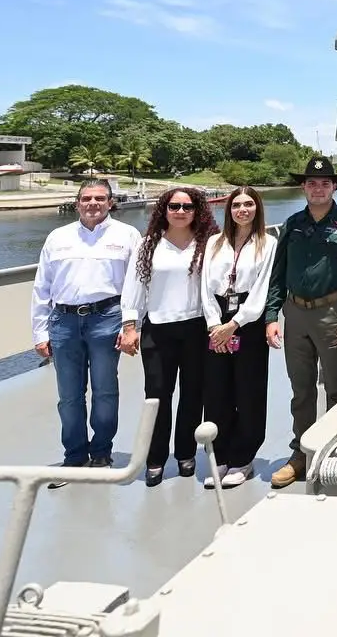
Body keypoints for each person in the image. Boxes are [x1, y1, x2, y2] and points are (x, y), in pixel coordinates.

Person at [263, 155, 337, 489]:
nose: (318, 188)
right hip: (294, 315)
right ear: (304, 186)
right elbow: (277, 274)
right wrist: (271, 316)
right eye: (312, 183)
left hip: (333, 314)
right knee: (301, 389)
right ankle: (301, 453)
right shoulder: (293, 224)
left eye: (325, 183)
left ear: (333, 186)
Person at [29, 178, 141, 489]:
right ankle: (74, 457)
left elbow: (136, 284)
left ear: (110, 202)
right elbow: (42, 286)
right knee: (69, 396)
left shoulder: (127, 235)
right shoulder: (58, 237)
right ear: (78, 203)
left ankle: (102, 453)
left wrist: (131, 325)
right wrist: (40, 330)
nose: (93, 204)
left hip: (107, 316)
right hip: (63, 321)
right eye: (87, 198)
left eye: (100, 198)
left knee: (105, 390)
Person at [123, 186, 218, 486]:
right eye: (174, 206)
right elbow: (135, 285)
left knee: (192, 394)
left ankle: (186, 454)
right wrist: (129, 325)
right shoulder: (148, 244)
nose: (180, 212)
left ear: (197, 210)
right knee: (157, 396)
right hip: (158, 329)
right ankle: (155, 459)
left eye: (187, 207)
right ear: (164, 210)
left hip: (195, 328)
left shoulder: (208, 244)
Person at [199, 186, 278, 489]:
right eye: (236, 205)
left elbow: (262, 288)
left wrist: (235, 323)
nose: (242, 210)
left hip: (248, 320)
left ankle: (243, 456)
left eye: (248, 204)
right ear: (228, 209)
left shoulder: (268, 243)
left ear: (257, 208)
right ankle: (219, 455)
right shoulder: (213, 243)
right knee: (216, 390)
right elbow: (205, 285)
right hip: (215, 319)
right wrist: (213, 324)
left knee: (249, 390)